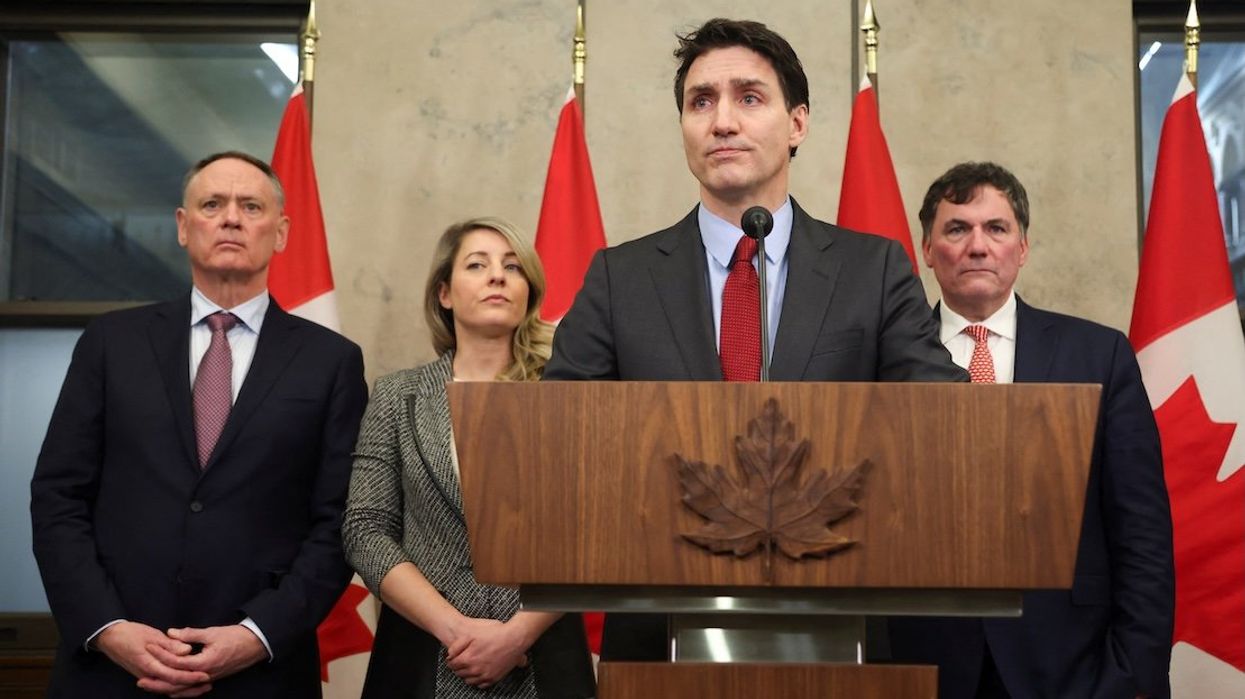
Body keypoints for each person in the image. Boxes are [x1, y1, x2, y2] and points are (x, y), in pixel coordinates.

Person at [543, 18, 967, 661]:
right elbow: (561, 434)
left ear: (796, 124)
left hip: (839, 621)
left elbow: (940, 421)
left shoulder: (872, 270)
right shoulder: (620, 278)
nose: (721, 122)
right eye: (700, 102)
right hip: (660, 632)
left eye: (749, 97)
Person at [30, 151, 368, 697]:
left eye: (250, 206)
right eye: (213, 204)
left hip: (259, 674)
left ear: (280, 232)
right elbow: (58, 496)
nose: (231, 217)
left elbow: (340, 522)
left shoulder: (331, 362)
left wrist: (257, 635)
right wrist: (107, 627)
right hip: (112, 671)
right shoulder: (110, 343)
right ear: (184, 228)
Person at [888, 161, 1175, 698]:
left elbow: (1142, 531)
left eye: (996, 229)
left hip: (1072, 664)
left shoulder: (1098, 354)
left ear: (1022, 248)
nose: (978, 246)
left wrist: (1132, 670)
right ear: (926, 250)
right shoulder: (884, 357)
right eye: (957, 229)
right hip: (923, 661)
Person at [342, 217, 595, 698]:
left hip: (542, 654)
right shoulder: (398, 396)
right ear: (445, 294)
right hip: (421, 651)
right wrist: (454, 629)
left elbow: (597, 528)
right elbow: (365, 529)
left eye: (513, 267)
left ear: (529, 293)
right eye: (477, 265)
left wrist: (517, 633)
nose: (497, 276)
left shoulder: (569, 393)